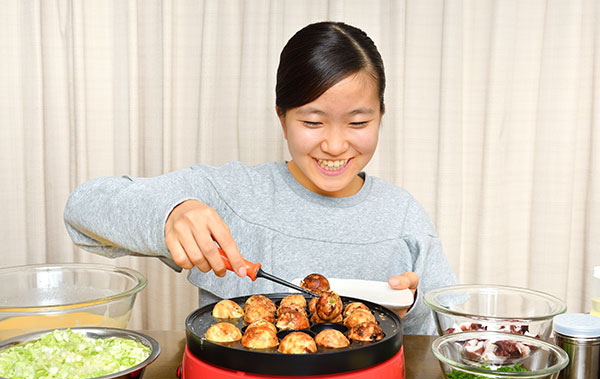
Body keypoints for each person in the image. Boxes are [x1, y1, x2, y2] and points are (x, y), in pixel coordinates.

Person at [64, 21, 458, 335]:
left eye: (358, 121)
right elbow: (83, 207)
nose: (336, 145)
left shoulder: (403, 215)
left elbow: (453, 329)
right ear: (281, 118)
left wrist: (415, 302)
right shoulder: (232, 195)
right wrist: (170, 214)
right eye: (313, 121)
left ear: (381, 116)